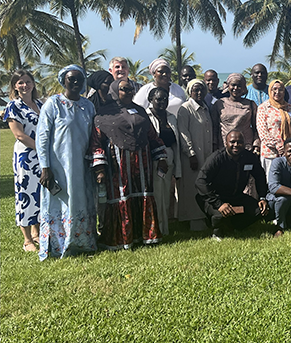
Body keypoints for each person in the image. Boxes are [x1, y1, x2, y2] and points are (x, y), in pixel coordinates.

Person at [91, 79, 168, 250]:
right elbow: (96, 142)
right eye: (124, 89)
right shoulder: (103, 114)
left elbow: (152, 136)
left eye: (131, 89)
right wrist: (100, 168)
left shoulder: (139, 111)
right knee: (121, 196)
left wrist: (161, 157)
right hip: (117, 166)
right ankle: (123, 239)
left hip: (142, 164)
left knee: (143, 195)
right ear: (114, 91)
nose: (129, 92)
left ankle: (145, 236)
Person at [36, 65, 97, 260]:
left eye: (79, 79)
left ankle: (83, 242)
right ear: (64, 80)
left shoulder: (88, 106)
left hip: (82, 165)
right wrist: (45, 167)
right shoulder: (53, 104)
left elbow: (93, 136)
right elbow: (42, 138)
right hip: (58, 166)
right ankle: (58, 245)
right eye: (72, 79)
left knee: (82, 200)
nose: (76, 82)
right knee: (60, 201)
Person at [195, 131, 269, 240]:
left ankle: (234, 226)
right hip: (214, 198)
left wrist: (262, 197)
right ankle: (217, 231)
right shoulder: (216, 158)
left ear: (244, 144)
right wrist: (219, 204)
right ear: (226, 143)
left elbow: (260, 176)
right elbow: (200, 181)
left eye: (239, 142)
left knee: (260, 211)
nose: (236, 145)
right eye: (232, 142)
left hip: (237, 197)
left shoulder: (249, 157)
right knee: (220, 215)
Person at [4, 70, 43, 252]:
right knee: (26, 194)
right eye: (20, 82)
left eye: (27, 81)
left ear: (33, 83)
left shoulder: (40, 104)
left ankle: (37, 233)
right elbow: (19, 135)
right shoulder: (14, 107)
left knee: (40, 193)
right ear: (14, 86)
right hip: (26, 157)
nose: (25, 85)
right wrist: (41, 149)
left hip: (43, 157)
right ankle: (27, 239)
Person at [177, 79, 216, 231]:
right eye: (195, 90)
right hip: (192, 156)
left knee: (204, 186)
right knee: (192, 187)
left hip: (206, 154)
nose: (199, 93)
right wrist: (191, 153)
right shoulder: (185, 109)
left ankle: (205, 216)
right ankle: (193, 220)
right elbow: (183, 133)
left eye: (202, 90)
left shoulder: (205, 108)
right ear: (189, 92)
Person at [146, 87, 183, 236]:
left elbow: (176, 142)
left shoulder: (171, 117)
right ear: (150, 100)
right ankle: (156, 229)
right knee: (156, 195)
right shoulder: (146, 117)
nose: (162, 102)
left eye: (165, 99)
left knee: (166, 195)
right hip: (153, 159)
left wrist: (177, 168)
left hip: (169, 158)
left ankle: (165, 228)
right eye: (158, 99)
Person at [213, 73, 260, 153]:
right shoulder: (219, 103)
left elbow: (256, 127)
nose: (236, 88)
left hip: (246, 147)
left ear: (243, 87)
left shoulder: (251, 104)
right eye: (233, 85)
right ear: (228, 86)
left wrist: (256, 146)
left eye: (239, 85)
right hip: (224, 148)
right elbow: (214, 128)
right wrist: (214, 146)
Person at [256, 79, 291, 175]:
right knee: (271, 183)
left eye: (280, 89)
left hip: (287, 152)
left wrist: (288, 147)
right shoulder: (263, 108)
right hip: (270, 153)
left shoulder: (290, 108)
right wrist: (278, 146)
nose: (277, 92)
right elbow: (262, 131)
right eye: (274, 89)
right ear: (270, 91)